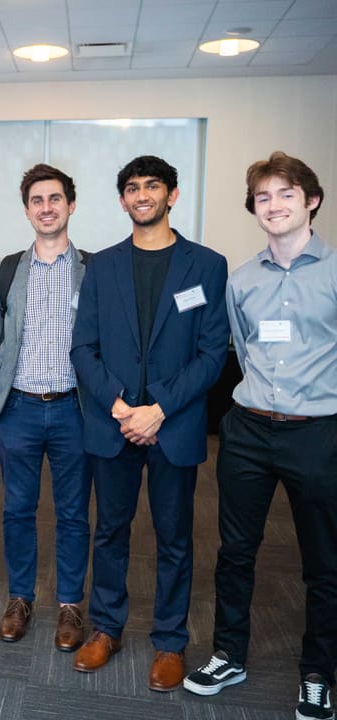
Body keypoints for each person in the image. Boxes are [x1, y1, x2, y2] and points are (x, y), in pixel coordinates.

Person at [183, 152, 337, 720]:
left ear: (311, 201)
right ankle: (229, 653)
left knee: (323, 561)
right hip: (247, 430)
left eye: (286, 195)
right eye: (264, 198)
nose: (274, 206)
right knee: (236, 551)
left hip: (317, 433)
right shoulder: (242, 279)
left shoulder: (335, 270)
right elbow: (243, 353)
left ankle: (319, 672)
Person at [69, 155, 229, 691]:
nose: (142, 195)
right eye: (132, 188)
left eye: (152, 186)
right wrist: (119, 405)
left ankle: (169, 641)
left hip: (174, 425)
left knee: (174, 537)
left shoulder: (206, 265)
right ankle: (106, 628)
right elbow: (83, 348)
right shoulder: (103, 266)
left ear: (172, 195)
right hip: (113, 425)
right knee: (110, 531)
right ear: (122, 200)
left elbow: (211, 354)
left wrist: (159, 408)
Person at [0, 164, 90, 650]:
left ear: (71, 204)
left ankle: (70, 604)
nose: (46, 208)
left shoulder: (93, 268)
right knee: (17, 509)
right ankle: (20, 598)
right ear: (27, 210)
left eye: (55, 199)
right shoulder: (7, 270)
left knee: (73, 513)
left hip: (75, 410)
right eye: (36, 200)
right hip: (20, 410)